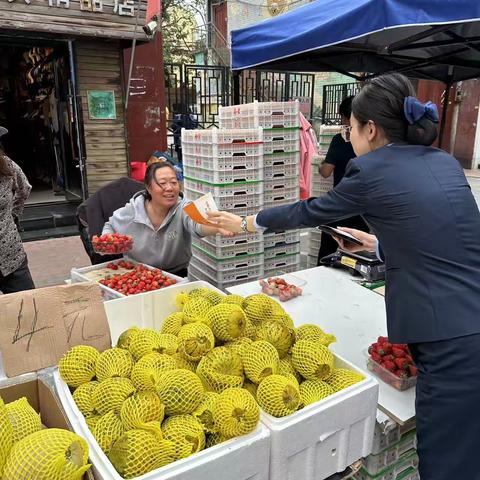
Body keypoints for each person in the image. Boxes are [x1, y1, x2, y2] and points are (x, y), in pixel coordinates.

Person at [208, 73, 480, 480]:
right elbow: (446, 239)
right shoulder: (442, 161)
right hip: (471, 316)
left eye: (350, 128)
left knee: (445, 458)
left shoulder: (370, 170)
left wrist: (247, 222)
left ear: (370, 129)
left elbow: (310, 211)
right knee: (469, 441)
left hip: (451, 336)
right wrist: (377, 246)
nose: (348, 136)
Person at [102, 162, 230, 277]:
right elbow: (111, 225)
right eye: (162, 183)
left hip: (175, 276)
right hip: (137, 275)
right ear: (148, 187)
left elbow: (198, 225)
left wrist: (217, 226)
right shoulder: (132, 211)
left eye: (174, 182)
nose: (169, 188)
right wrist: (108, 240)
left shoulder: (184, 208)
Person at [317, 96, 369, 263]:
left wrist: (320, 163)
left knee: (328, 251)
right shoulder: (373, 142)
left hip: (340, 205)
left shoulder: (340, 140)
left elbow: (325, 171)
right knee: (358, 254)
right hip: (364, 209)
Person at [0, 126, 35, 294]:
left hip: (11, 257)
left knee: (30, 309)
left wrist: (13, 216)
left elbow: (24, 188)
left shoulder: (7, 166)